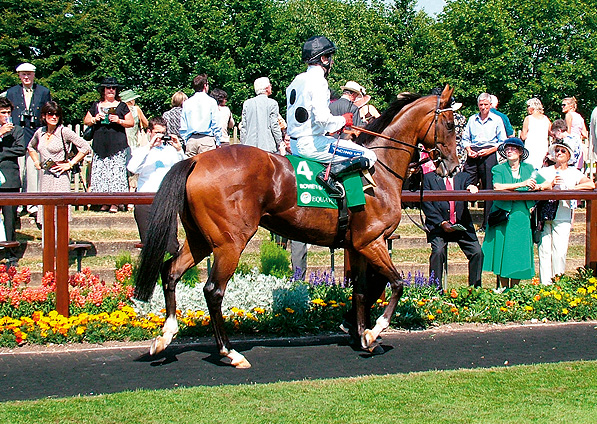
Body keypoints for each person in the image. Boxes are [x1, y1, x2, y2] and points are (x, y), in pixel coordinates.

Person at [286, 35, 376, 198]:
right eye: (330, 58)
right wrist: (343, 120)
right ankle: (329, 177)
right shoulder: (318, 81)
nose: (332, 62)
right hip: (313, 144)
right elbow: (323, 120)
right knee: (369, 155)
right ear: (323, 59)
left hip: (294, 144)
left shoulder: (297, 80)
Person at [482, 138, 541, 289]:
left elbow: (547, 183)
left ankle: (514, 289)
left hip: (521, 215)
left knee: (518, 251)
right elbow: (498, 186)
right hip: (502, 214)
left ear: (520, 152)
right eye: (507, 148)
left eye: (513, 149)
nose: (509, 151)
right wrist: (522, 184)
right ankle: (503, 287)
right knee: (501, 249)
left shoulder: (529, 169)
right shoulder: (498, 169)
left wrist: (537, 187)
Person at [536, 141, 595, 285]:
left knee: (560, 251)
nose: (559, 153)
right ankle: (545, 285)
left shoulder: (574, 172)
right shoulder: (544, 171)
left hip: (563, 213)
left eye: (563, 151)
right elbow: (534, 185)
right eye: (557, 151)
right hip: (545, 213)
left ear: (569, 155)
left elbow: (590, 184)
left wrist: (571, 188)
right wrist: (549, 185)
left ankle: (558, 283)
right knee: (544, 250)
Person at [127, 117, 185, 254]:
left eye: (163, 133)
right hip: (145, 200)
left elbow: (183, 170)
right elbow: (132, 168)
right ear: (149, 132)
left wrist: (179, 149)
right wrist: (149, 146)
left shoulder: (171, 151)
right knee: (148, 244)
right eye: (157, 133)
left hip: (166, 199)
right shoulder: (142, 151)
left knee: (171, 244)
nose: (160, 136)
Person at [27, 101, 91, 224]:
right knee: (45, 211)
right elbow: (31, 147)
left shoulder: (64, 131)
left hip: (60, 176)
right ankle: (47, 241)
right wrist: (36, 161)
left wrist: (70, 163)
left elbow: (85, 147)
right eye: (50, 114)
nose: (54, 117)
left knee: (60, 211)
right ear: (44, 116)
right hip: (45, 176)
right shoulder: (40, 132)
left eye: (57, 114)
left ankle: (62, 242)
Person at [422, 168, 483, 288]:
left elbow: (472, 195)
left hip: (461, 225)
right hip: (438, 226)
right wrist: (441, 222)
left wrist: (472, 188)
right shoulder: (429, 178)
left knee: (477, 252)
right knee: (438, 252)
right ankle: (435, 291)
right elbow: (426, 204)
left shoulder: (464, 176)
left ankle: (475, 289)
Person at [5, 63, 52, 216]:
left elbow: (48, 113)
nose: (26, 77)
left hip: (35, 134)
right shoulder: (11, 92)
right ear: (19, 75)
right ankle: (17, 204)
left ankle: (32, 205)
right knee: (18, 170)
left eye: (29, 74)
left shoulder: (43, 92)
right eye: (23, 74)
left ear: (34, 75)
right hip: (16, 136)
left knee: (33, 171)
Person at [83, 77, 134, 213]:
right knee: (101, 174)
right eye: (108, 88)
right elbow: (86, 120)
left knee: (116, 174)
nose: (111, 90)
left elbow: (131, 122)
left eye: (113, 88)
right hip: (100, 145)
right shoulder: (96, 105)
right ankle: (103, 201)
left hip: (117, 145)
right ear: (103, 90)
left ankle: (115, 202)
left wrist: (119, 120)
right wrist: (95, 119)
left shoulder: (122, 106)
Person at [461, 92, 508, 231]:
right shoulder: (472, 119)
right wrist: (469, 149)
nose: (483, 107)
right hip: (473, 152)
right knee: (465, 182)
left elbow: (502, 141)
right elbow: (465, 138)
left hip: (489, 152)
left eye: (485, 105)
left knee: (489, 187)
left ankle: (487, 223)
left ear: (490, 105)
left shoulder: (497, 120)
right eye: (481, 105)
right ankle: (462, 220)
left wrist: (490, 151)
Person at [0, 97, 26, 243]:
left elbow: (20, 149)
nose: (6, 115)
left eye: (8, 112)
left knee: (10, 219)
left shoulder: (17, 130)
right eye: (3, 112)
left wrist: (2, 154)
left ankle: (11, 254)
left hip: (10, 179)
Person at [180, 74, 222, 156]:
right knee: (208, 167)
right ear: (205, 85)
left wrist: (186, 140)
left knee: (191, 168)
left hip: (191, 140)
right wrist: (218, 141)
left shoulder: (187, 103)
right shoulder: (211, 102)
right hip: (207, 140)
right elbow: (216, 123)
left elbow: (183, 125)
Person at [240, 77, 283, 153]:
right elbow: (274, 125)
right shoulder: (272, 103)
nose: (271, 87)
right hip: (267, 146)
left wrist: (243, 144)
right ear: (266, 88)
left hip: (249, 146)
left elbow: (244, 127)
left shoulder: (247, 103)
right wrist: (280, 141)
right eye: (270, 85)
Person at [520, 98, 551, 170]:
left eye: (528, 106)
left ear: (532, 107)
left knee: (529, 169)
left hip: (531, 147)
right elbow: (551, 132)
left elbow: (523, 136)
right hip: (543, 147)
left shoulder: (528, 118)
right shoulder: (546, 119)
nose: (527, 109)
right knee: (541, 168)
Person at [562, 96, 588, 170]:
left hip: (570, 141)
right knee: (577, 167)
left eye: (564, 105)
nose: (562, 107)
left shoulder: (569, 115)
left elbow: (568, 132)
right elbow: (585, 134)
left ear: (571, 106)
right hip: (578, 142)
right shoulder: (579, 117)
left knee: (568, 165)